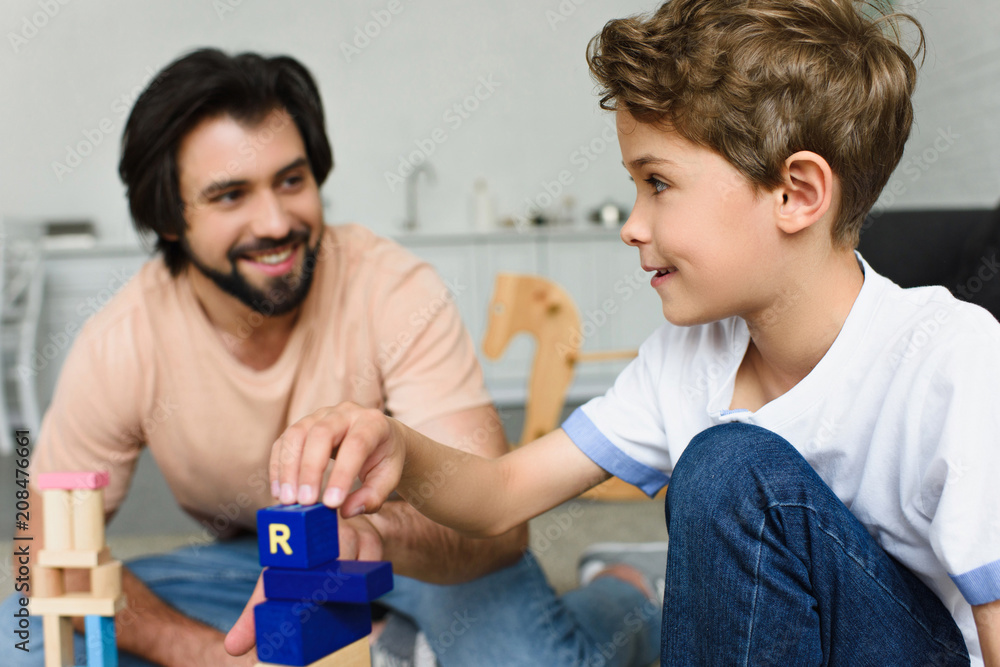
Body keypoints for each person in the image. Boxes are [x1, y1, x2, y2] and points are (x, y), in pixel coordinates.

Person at [238, 0, 1000, 665]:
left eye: (658, 183)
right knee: (724, 471)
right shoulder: (685, 362)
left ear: (796, 192)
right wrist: (396, 447)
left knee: (728, 467)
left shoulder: (950, 359)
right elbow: (502, 493)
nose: (634, 225)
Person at [4, 49, 661, 666]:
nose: (275, 222)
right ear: (170, 220)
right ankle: (381, 640)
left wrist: (371, 538)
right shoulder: (122, 337)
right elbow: (38, 548)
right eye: (230, 195)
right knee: (20, 631)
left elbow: (499, 528)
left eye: (292, 181)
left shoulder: (392, 288)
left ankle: (621, 587)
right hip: (249, 567)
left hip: (421, 558)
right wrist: (204, 651)